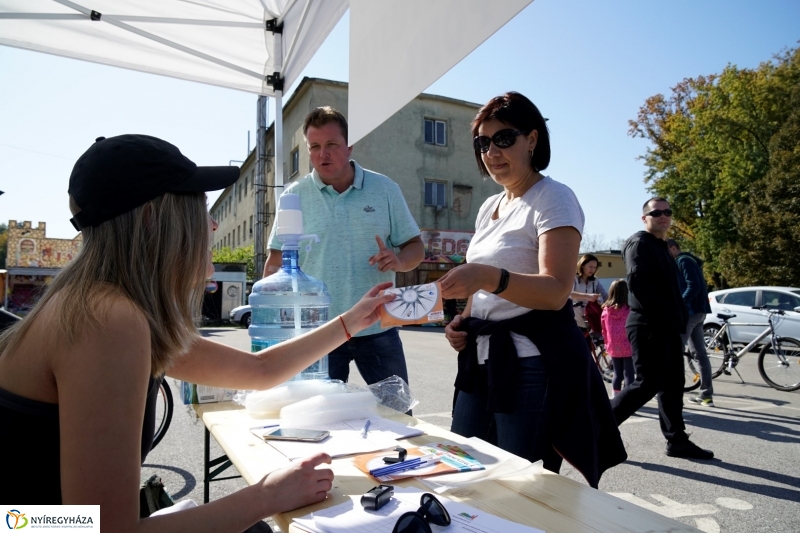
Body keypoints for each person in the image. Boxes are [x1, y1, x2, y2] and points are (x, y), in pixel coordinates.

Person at [0, 134, 395, 531]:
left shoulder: (109, 305)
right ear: (153, 218)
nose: (213, 223)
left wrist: (351, 321)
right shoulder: (106, 320)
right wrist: (268, 496)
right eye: (200, 206)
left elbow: (259, 371)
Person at [438, 92, 626, 489]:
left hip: (529, 362)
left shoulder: (553, 197)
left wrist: (488, 277)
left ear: (532, 140)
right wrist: (462, 322)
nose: (492, 152)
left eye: (504, 138)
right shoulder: (489, 206)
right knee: (462, 467)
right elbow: (481, 287)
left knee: (513, 484)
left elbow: (556, 291)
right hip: (482, 357)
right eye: (483, 143)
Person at [263, 107, 424, 387]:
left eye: (331, 145)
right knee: (319, 412)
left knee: (396, 410)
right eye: (314, 147)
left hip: (376, 326)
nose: (322, 154)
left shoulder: (385, 189)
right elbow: (275, 264)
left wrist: (399, 260)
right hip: (317, 332)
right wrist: (274, 320)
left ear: (349, 146)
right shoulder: (294, 196)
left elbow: (416, 248)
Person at [611, 197, 714, 460]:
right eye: (656, 213)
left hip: (668, 326)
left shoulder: (662, 247)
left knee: (672, 385)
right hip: (649, 325)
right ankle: (594, 428)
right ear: (644, 218)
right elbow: (638, 284)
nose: (663, 216)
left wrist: (676, 317)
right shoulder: (640, 243)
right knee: (646, 384)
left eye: (667, 212)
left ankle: (677, 441)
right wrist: (664, 315)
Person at [666, 239, 714, 407]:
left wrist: (680, 303)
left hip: (690, 313)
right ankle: (706, 396)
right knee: (699, 354)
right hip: (698, 312)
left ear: (673, 248)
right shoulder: (690, 261)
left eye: (666, 252)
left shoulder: (683, 261)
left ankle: (673, 394)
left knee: (675, 352)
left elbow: (693, 286)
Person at [601, 279, 634, 397]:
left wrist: (606, 343)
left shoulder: (605, 310)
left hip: (613, 346)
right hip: (628, 345)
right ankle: (628, 398)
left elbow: (604, 329)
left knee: (617, 373)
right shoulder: (629, 310)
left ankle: (616, 397)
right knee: (628, 373)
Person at [570, 253, 608, 330]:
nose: (592, 270)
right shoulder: (573, 278)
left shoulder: (595, 280)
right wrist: (587, 296)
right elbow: (568, 294)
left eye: (595, 267)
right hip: (574, 320)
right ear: (582, 265)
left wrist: (613, 302)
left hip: (590, 320)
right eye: (590, 267)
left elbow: (605, 295)